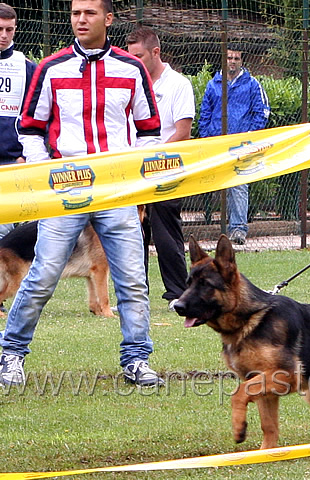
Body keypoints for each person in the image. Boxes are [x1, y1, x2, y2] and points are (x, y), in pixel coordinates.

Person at [0, 0, 164, 388]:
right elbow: (31, 128)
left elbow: (150, 131)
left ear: (107, 19)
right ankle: (12, 354)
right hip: (65, 190)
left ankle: (137, 359)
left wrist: (135, 180)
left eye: (89, 13)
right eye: (75, 13)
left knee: (132, 277)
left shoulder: (132, 68)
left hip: (117, 189)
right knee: (42, 273)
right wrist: (49, 173)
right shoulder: (51, 68)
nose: (81, 19)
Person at [126, 27, 194, 311]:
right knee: (130, 232)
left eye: (139, 56)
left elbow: (183, 132)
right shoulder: (129, 83)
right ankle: (133, 296)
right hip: (131, 171)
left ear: (156, 52)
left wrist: (153, 158)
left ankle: (178, 294)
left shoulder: (179, 85)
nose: (135, 62)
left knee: (166, 231)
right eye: (131, 57)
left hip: (167, 170)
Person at [198, 45, 270, 245]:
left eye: (237, 58)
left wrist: (249, 136)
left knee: (238, 185)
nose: (232, 61)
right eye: (229, 57)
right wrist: (207, 137)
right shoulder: (213, 85)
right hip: (216, 145)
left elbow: (263, 112)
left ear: (242, 61)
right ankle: (209, 226)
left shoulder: (253, 85)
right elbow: (204, 113)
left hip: (241, 146)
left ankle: (238, 229)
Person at [0, 2, 36, 242]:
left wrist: (25, 156)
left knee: (2, 231)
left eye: (9, 29)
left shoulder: (27, 67)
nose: (4, 35)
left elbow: (38, 116)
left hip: (11, 160)